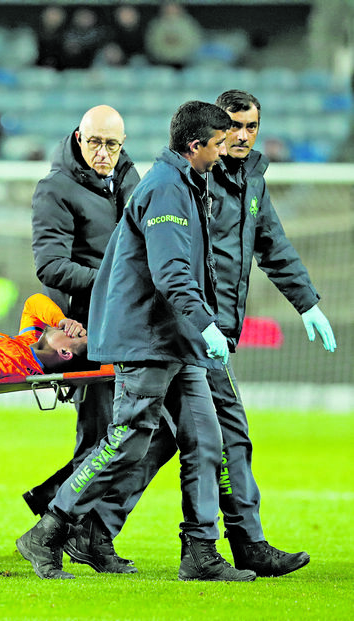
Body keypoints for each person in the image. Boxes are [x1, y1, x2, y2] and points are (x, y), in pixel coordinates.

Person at [15, 101, 258, 582]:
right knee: (119, 438)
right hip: (132, 332)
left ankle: (197, 551)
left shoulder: (154, 181)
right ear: (196, 145)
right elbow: (162, 270)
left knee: (202, 441)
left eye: (113, 144)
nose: (227, 149)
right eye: (218, 143)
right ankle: (52, 527)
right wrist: (202, 320)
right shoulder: (160, 186)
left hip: (173, 333)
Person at [203, 89, 332, 574]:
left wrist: (308, 304)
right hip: (191, 332)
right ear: (214, 126)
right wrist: (198, 320)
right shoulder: (195, 177)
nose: (242, 134)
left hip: (218, 331)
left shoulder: (252, 180)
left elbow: (272, 245)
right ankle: (249, 543)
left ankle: (68, 521)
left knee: (150, 439)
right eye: (233, 124)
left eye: (251, 126)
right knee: (230, 434)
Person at [24, 105, 142, 573]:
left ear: (123, 142)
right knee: (105, 435)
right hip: (86, 330)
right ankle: (63, 530)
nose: (103, 152)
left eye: (112, 144)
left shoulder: (132, 182)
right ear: (78, 137)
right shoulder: (55, 188)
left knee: (129, 435)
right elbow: (50, 265)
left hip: (130, 325)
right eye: (94, 142)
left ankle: (75, 524)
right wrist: (119, 281)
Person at [144, 2, 203, 70]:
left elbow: (195, 43)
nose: (171, 9)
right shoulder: (156, 25)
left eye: (173, 6)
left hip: (185, 63)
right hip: (161, 64)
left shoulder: (189, 24)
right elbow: (151, 44)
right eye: (168, 6)